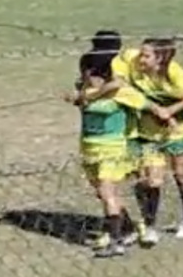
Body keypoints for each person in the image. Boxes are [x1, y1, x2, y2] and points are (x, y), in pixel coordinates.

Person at [66, 51, 156, 258]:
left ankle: (116, 242)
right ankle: (130, 228)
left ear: (92, 71)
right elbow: (82, 102)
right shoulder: (83, 90)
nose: (82, 76)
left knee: (107, 193)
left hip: (112, 149)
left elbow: (148, 105)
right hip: (89, 149)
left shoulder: (121, 92)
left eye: (84, 71)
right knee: (104, 194)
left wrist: (165, 118)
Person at [113, 39, 183, 244]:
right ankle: (150, 225)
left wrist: (170, 111)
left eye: (146, 56)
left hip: (177, 133)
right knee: (152, 180)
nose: (140, 58)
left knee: (181, 174)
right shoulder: (131, 58)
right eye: (141, 53)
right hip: (147, 134)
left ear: (159, 59)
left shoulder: (174, 72)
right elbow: (117, 61)